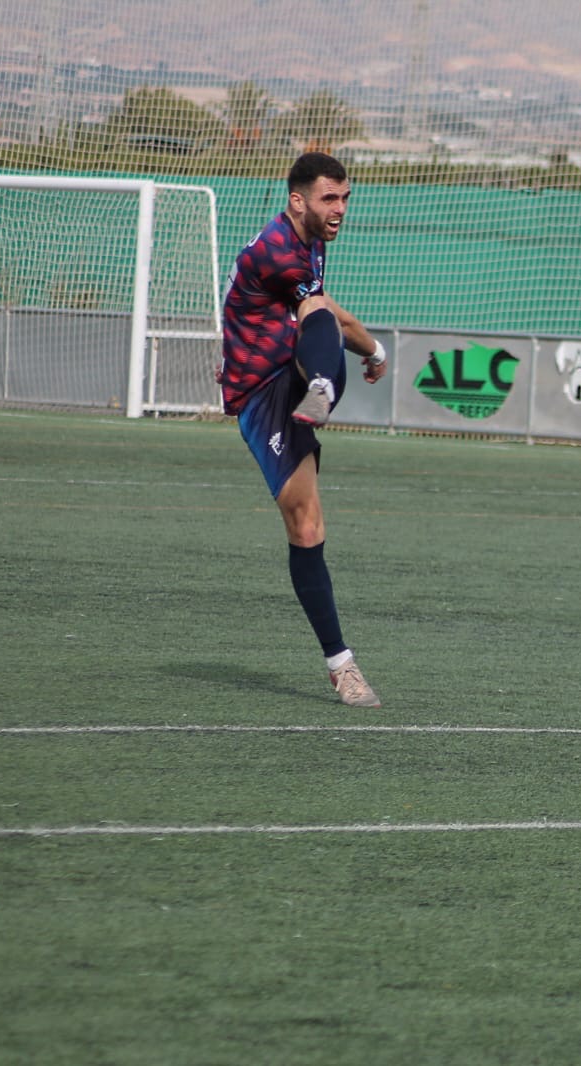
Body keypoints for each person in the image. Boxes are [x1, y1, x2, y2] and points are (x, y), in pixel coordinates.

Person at [218, 152, 389, 707]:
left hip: (294, 373)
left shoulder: (311, 239)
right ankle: (341, 665)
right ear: (297, 201)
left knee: (320, 316)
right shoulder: (276, 250)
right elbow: (318, 308)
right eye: (328, 198)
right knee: (306, 526)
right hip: (262, 392)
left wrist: (374, 347)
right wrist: (361, 350)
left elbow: (330, 310)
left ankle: (320, 389)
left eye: (345, 198)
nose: (340, 209)